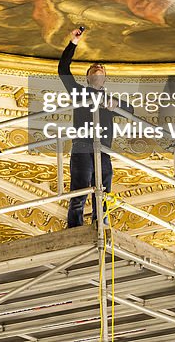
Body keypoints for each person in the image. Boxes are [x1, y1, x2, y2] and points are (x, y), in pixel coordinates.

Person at [58, 26, 130, 228]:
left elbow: (130, 109)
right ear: (88, 77)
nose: (98, 67)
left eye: (101, 68)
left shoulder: (110, 100)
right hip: (82, 146)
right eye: (93, 68)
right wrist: (73, 42)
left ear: (104, 78)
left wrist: (116, 105)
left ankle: (102, 225)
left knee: (104, 191)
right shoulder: (79, 93)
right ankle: (74, 228)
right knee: (80, 189)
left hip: (103, 150)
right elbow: (63, 70)